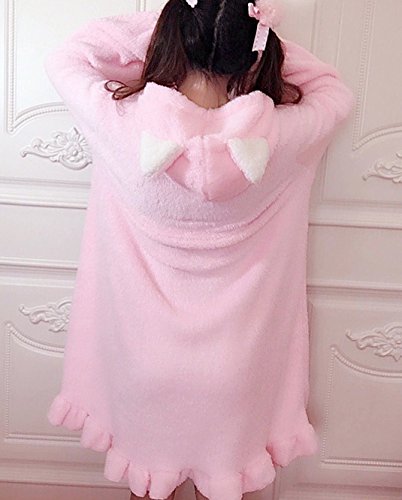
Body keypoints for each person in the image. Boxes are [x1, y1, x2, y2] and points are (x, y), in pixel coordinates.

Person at [44, 1, 355, 500]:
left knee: (148, 487)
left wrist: (174, 25)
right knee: (225, 488)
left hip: (143, 364)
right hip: (238, 367)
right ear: (253, 49)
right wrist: (256, 38)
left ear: (172, 36)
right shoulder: (282, 139)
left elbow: (68, 56)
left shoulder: (121, 125)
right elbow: (334, 91)